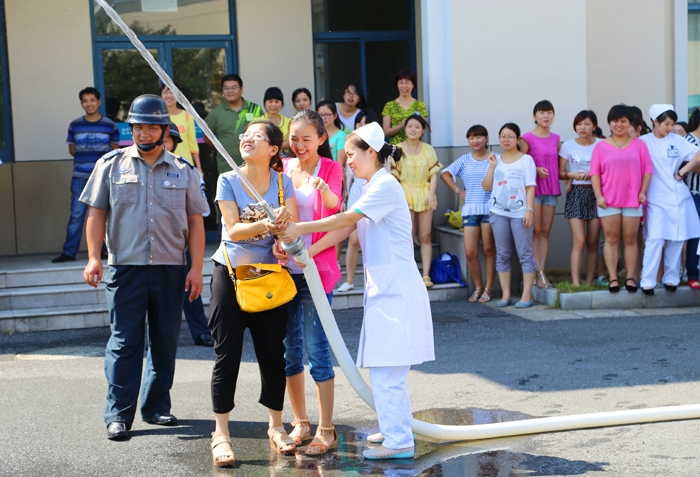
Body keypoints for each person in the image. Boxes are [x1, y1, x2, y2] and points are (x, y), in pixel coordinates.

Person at [279, 121, 434, 460]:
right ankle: (395, 427)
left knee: (387, 369)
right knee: (386, 368)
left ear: (371, 152)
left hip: (396, 291)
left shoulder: (385, 186)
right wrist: (305, 249)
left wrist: (298, 228)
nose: (347, 160)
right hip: (385, 289)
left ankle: (399, 440)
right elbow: (346, 227)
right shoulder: (368, 186)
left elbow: (345, 218)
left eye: (351, 154)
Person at [80, 95, 208, 440]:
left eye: (152, 127)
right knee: (124, 342)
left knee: (165, 341)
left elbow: (196, 222)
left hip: (170, 268)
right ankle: (118, 415)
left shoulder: (183, 170)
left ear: (165, 130)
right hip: (126, 268)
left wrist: (196, 268)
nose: (144, 133)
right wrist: (93, 257)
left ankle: (155, 406)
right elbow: (96, 213)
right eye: (139, 127)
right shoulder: (110, 165)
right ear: (131, 129)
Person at [208, 120, 297, 465]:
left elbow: (290, 229)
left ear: (273, 149)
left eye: (257, 136)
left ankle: (276, 426)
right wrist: (267, 224)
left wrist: (281, 240)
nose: (247, 138)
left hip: (268, 276)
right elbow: (233, 229)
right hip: (230, 274)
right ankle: (221, 433)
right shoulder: (228, 179)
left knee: (273, 352)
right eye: (245, 134)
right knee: (227, 353)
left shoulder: (282, 182)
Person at [274, 110, 343, 456]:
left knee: (318, 351)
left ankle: (326, 428)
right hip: (285, 271)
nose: (299, 145)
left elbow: (336, 210)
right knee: (290, 351)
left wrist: (308, 253)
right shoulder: (283, 167)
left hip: (317, 271)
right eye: (294, 138)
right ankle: (300, 421)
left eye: (306, 139)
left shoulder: (330, 168)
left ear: (321, 138)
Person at [590, 104, 653, 294]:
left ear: (630, 123)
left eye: (623, 121)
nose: (619, 124)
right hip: (608, 200)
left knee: (631, 239)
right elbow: (594, 173)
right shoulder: (600, 146)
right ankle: (613, 278)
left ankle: (631, 277)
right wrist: (598, 196)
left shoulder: (639, 145)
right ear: (609, 123)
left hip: (633, 199)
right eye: (615, 121)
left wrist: (642, 192)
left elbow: (647, 170)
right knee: (611, 238)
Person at [52, 87, 119, 263]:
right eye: (85, 101)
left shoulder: (110, 125)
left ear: (98, 102)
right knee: (76, 215)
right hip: (80, 177)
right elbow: (72, 150)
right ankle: (69, 252)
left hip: (103, 178)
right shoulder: (75, 125)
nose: (89, 104)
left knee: (105, 214)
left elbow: (115, 151)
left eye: (92, 100)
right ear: (82, 104)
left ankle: (105, 251)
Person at [162, 124, 214, 347]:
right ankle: (155, 337)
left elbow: (201, 213)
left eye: (167, 141)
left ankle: (201, 331)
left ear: (174, 143)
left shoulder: (186, 170)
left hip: (181, 242)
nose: (162, 145)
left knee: (189, 289)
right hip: (153, 244)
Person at [639, 105, 700, 294]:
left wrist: (682, 171)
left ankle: (671, 279)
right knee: (655, 239)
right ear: (655, 122)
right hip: (655, 196)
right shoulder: (643, 142)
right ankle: (647, 281)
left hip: (678, 196)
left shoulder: (678, 140)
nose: (670, 127)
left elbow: (698, 154)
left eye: (672, 124)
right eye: (666, 123)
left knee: (677, 238)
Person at [483, 123, 537, 308]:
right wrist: (491, 167)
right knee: (502, 254)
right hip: (498, 213)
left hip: (520, 213)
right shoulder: (495, 159)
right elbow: (486, 187)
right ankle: (506, 295)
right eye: (503, 136)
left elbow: (530, 187)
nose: (506, 140)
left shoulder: (526, 160)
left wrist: (529, 210)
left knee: (525, 254)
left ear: (518, 139)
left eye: (511, 136)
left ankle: (526, 296)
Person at [440, 125, 496, 302]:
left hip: (490, 208)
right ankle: (478, 287)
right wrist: (459, 191)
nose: (475, 141)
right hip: (470, 209)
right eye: (471, 138)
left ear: (486, 138)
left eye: (479, 137)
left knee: (488, 249)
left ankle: (489, 289)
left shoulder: (495, 158)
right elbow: (444, 173)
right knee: (470, 252)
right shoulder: (464, 159)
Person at [393, 114, 442, 287]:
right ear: (404, 128)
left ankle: (426, 275)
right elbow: (394, 176)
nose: (413, 129)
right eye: (410, 126)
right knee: (407, 236)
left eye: (417, 127)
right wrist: (400, 198)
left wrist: (431, 194)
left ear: (422, 131)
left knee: (425, 235)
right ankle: (408, 274)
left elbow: (434, 174)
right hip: (405, 193)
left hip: (424, 193)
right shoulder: (397, 149)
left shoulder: (428, 149)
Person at [337, 110, 381, 293]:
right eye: (359, 123)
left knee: (368, 238)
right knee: (353, 239)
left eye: (365, 124)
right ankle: (349, 280)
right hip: (356, 189)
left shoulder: (380, 151)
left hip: (371, 189)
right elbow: (346, 174)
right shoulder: (352, 147)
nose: (361, 127)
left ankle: (370, 280)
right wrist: (344, 196)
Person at [519, 100, 560, 289]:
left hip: (551, 189)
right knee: (535, 232)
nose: (546, 116)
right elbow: (521, 162)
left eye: (549, 112)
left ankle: (542, 269)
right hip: (533, 190)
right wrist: (536, 170)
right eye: (542, 113)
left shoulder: (556, 139)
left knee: (545, 231)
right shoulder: (526, 138)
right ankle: (537, 272)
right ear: (534, 116)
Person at [558, 110, 601, 286]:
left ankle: (589, 282)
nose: (582, 127)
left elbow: (608, 168)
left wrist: (594, 173)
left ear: (594, 126)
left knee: (593, 242)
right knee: (580, 241)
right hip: (576, 193)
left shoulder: (601, 144)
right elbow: (560, 172)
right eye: (579, 124)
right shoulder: (567, 145)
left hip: (596, 193)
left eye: (587, 124)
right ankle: (575, 283)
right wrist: (571, 175)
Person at [204, 74, 262, 173]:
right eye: (226, 88)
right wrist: (222, 149)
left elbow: (264, 134)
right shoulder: (216, 113)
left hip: (253, 164)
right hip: (227, 167)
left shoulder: (255, 109)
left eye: (234, 88)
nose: (230, 91)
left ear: (241, 89)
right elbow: (207, 137)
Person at [160, 83, 204, 177]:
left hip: (185, 165)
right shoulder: (157, 117)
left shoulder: (187, 116)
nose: (169, 95)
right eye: (165, 92)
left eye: (172, 92)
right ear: (161, 95)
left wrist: (199, 167)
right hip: (162, 165)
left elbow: (193, 144)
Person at [382, 69, 428, 145]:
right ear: (397, 85)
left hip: (415, 147)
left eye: (407, 83)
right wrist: (401, 126)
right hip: (396, 148)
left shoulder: (420, 105)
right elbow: (386, 132)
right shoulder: (389, 105)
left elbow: (422, 130)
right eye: (401, 82)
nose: (404, 86)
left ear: (413, 85)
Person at [683, 107, 700, 289]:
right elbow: (694, 166)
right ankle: (693, 274)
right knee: (695, 235)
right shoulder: (689, 140)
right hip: (695, 194)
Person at [258, 87, 291, 154]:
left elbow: (289, 143)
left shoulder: (288, 121)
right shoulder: (259, 122)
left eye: (277, 102)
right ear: (265, 102)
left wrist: (269, 147)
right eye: (270, 102)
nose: (273, 105)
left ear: (281, 103)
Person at [316, 100, 347, 167]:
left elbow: (339, 164)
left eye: (327, 115)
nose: (323, 118)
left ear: (335, 115)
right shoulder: (314, 133)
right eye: (320, 115)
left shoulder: (341, 136)